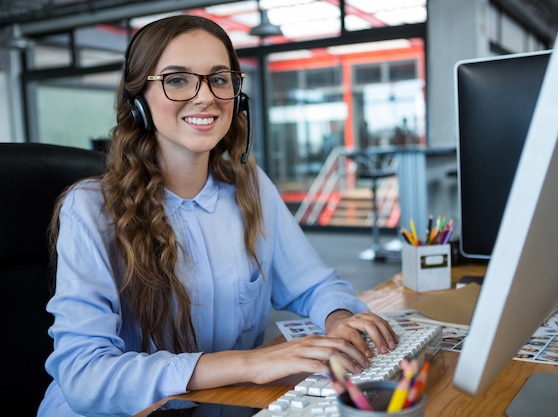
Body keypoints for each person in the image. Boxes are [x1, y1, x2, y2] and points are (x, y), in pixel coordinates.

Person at [37, 14, 398, 417]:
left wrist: (339, 319)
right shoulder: (91, 210)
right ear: (138, 101)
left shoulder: (251, 188)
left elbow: (313, 285)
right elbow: (85, 376)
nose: (205, 96)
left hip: (228, 407)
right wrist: (252, 363)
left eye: (219, 78)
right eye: (177, 79)